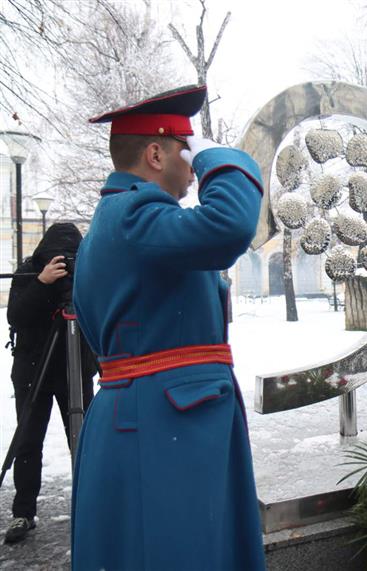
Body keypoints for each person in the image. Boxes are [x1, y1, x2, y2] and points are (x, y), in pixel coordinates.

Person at [70, 85, 265, 570]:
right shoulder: (133, 213)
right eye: (186, 149)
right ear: (155, 153)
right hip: (160, 428)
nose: (191, 164)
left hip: (160, 420)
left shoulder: (124, 220)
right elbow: (230, 226)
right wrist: (218, 158)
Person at [4, 224, 97, 544]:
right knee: (28, 442)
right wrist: (42, 283)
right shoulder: (30, 271)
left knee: (84, 442)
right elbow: (15, 316)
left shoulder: (89, 271)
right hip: (33, 372)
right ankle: (23, 512)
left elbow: (101, 316)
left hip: (75, 368)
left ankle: (92, 507)